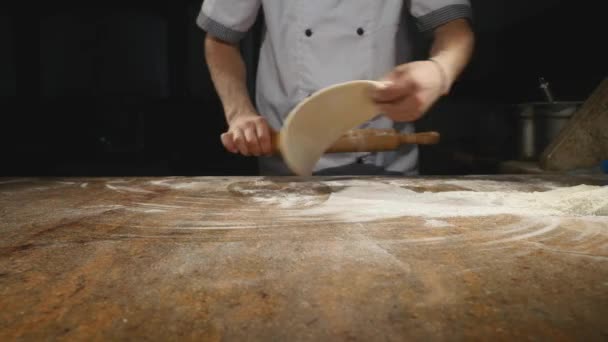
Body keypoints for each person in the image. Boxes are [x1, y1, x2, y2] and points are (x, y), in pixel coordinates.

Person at [197, 1, 475, 176]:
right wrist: (239, 113)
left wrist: (440, 70)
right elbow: (220, 40)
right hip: (288, 162)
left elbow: (454, 30)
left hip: (387, 165)